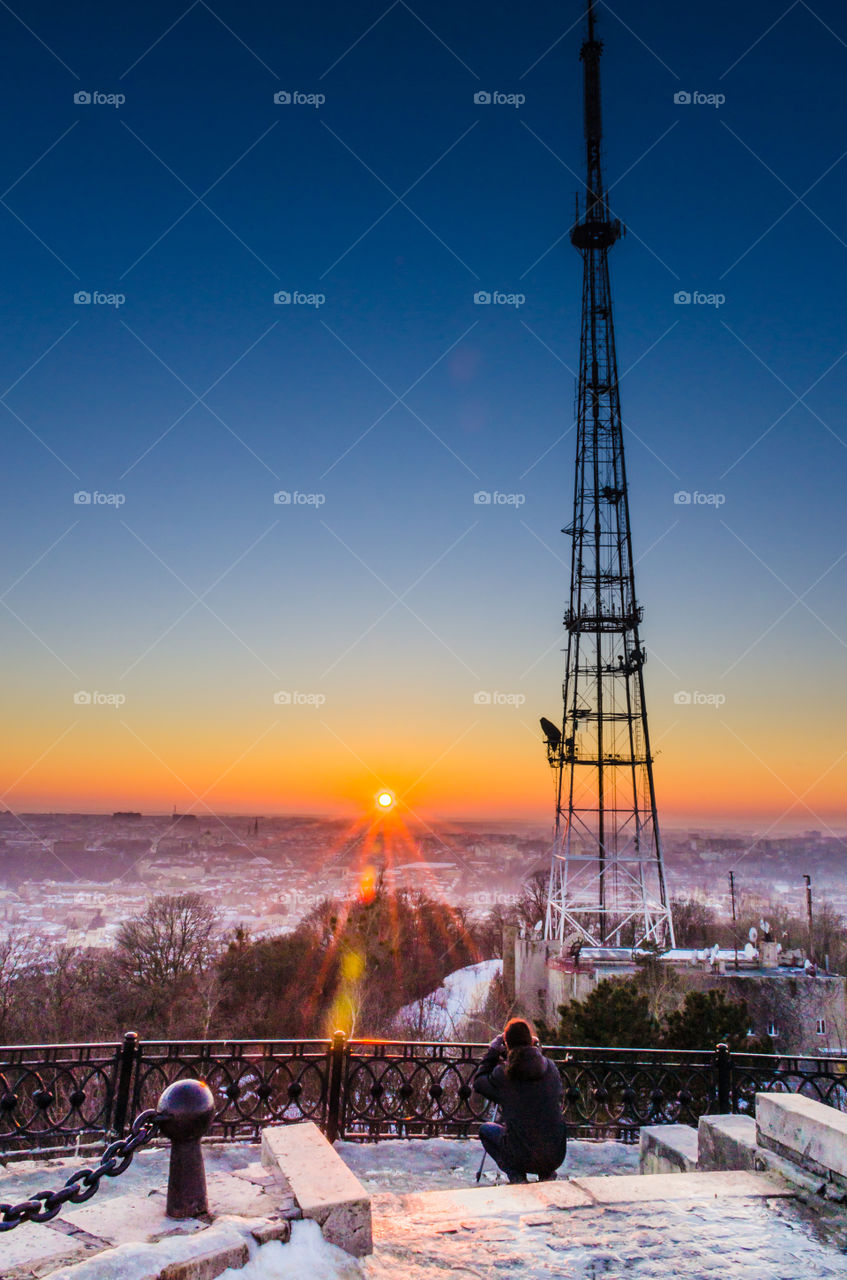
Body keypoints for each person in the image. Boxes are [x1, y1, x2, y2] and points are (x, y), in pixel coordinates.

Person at [472, 1017, 568, 1184]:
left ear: (507, 1044)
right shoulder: (551, 1067)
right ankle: (547, 1174)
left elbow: (479, 1083)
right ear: (530, 1041)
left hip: (522, 1155)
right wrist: (535, 1051)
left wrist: (493, 1053)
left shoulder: (504, 1075)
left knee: (486, 1131)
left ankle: (517, 1176)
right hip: (556, 1154)